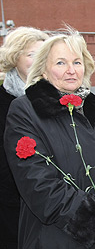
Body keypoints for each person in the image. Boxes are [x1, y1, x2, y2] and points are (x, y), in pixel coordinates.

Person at [3, 29, 95, 248]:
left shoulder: (93, 108)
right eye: (61, 63)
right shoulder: (26, 110)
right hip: (54, 239)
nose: (71, 70)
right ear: (43, 70)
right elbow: (39, 185)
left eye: (77, 62)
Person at [0, 27, 48, 249]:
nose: (38, 60)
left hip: (48, 203)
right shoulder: (3, 100)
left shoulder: (53, 100)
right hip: (8, 206)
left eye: (43, 55)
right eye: (31, 54)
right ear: (13, 56)